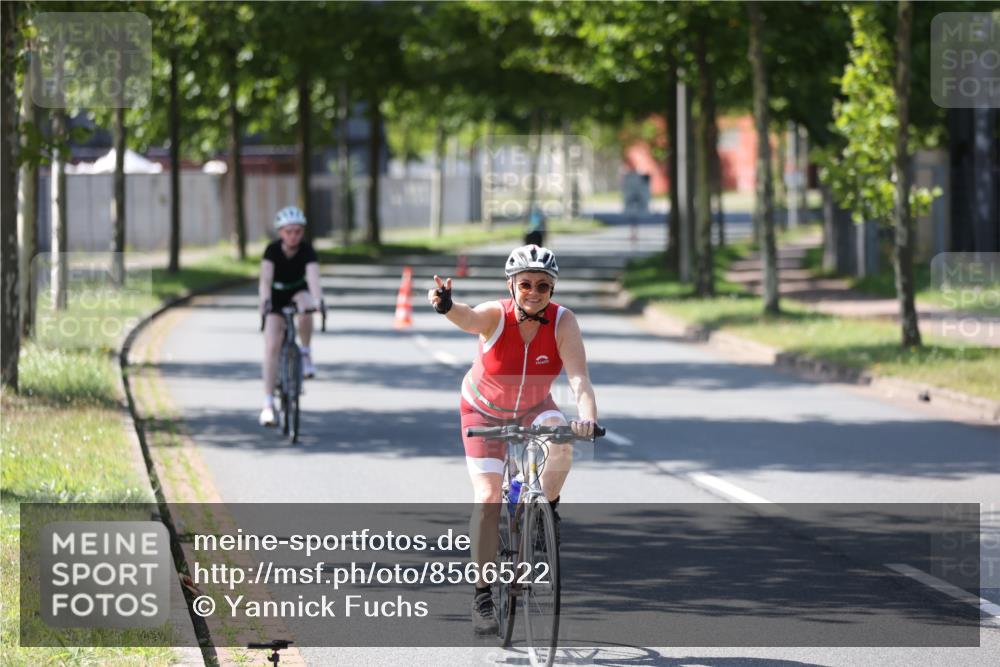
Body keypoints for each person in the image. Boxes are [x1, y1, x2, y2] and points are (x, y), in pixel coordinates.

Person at [427, 244, 598, 635]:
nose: (533, 292)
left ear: (552, 289)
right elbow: (467, 317)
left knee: (563, 442)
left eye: (542, 285)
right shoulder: (496, 315)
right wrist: (446, 305)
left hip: (535, 408)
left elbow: (578, 379)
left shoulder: (563, 322)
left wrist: (587, 417)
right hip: (482, 411)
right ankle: (483, 595)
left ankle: (546, 511)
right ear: (512, 286)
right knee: (488, 499)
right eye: (525, 285)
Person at [258, 206, 324, 427]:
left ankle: (305, 353)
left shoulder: (307, 251)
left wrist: (319, 301)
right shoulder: (272, 251)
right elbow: (265, 280)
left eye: (297, 231)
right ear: (280, 233)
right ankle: (268, 404)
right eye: (289, 231)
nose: (293, 236)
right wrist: (265, 302)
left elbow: (313, 279)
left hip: (297, 292)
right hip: (276, 296)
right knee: (272, 346)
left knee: (306, 308)